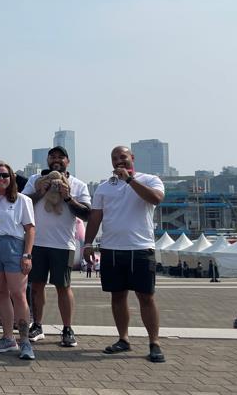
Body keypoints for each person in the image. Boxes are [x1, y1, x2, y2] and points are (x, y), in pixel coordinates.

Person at [83, 146, 166, 363]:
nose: (119, 161)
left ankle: (154, 342)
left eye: (123, 157)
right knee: (117, 296)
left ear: (132, 158)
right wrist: (88, 243)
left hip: (140, 248)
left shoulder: (149, 179)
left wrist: (129, 180)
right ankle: (123, 338)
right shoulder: (103, 187)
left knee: (146, 296)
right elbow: (95, 217)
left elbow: (156, 199)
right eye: (114, 158)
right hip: (112, 248)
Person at [21, 146, 91, 347]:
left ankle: (67, 328)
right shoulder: (35, 180)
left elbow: (87, 214)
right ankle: (37, 325)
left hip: (64, 244)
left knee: (64, 286)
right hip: (37, 242)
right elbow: (21, 204)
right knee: (36, 286)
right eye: (53, 157)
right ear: (48, 160)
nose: (56, 160)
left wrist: (68, 197)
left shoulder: (78, 184)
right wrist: (39, 192)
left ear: (68, 161)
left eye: (61, 157)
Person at [0, 161, 36, 360]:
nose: (1, 179)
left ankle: (25, 340)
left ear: (11, 178)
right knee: (1, 293)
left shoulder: (22, 200)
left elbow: (30, 229)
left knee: (18, 294)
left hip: (14, 247)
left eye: (5, 175)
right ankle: (8, 337)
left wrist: (27, 254)